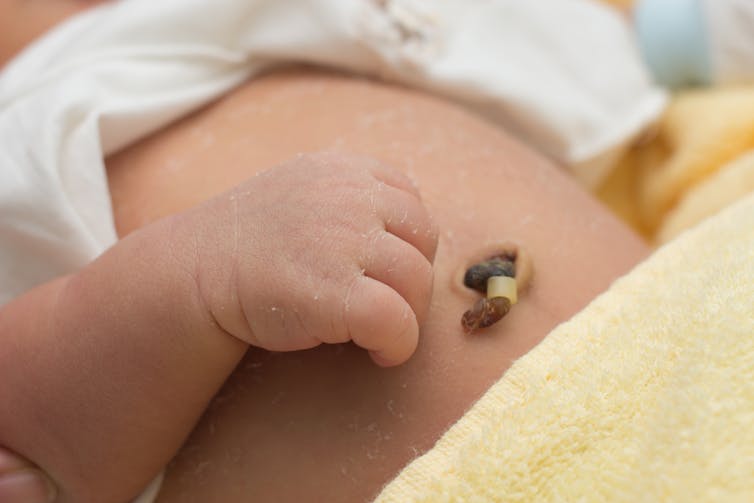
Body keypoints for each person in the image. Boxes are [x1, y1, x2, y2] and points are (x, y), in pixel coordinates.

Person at [6, 0, 724, 501]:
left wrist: (692, 31)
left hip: (704, 353)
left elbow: (597, 54)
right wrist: (204, 272)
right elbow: (36, 447)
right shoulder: (22, 123)